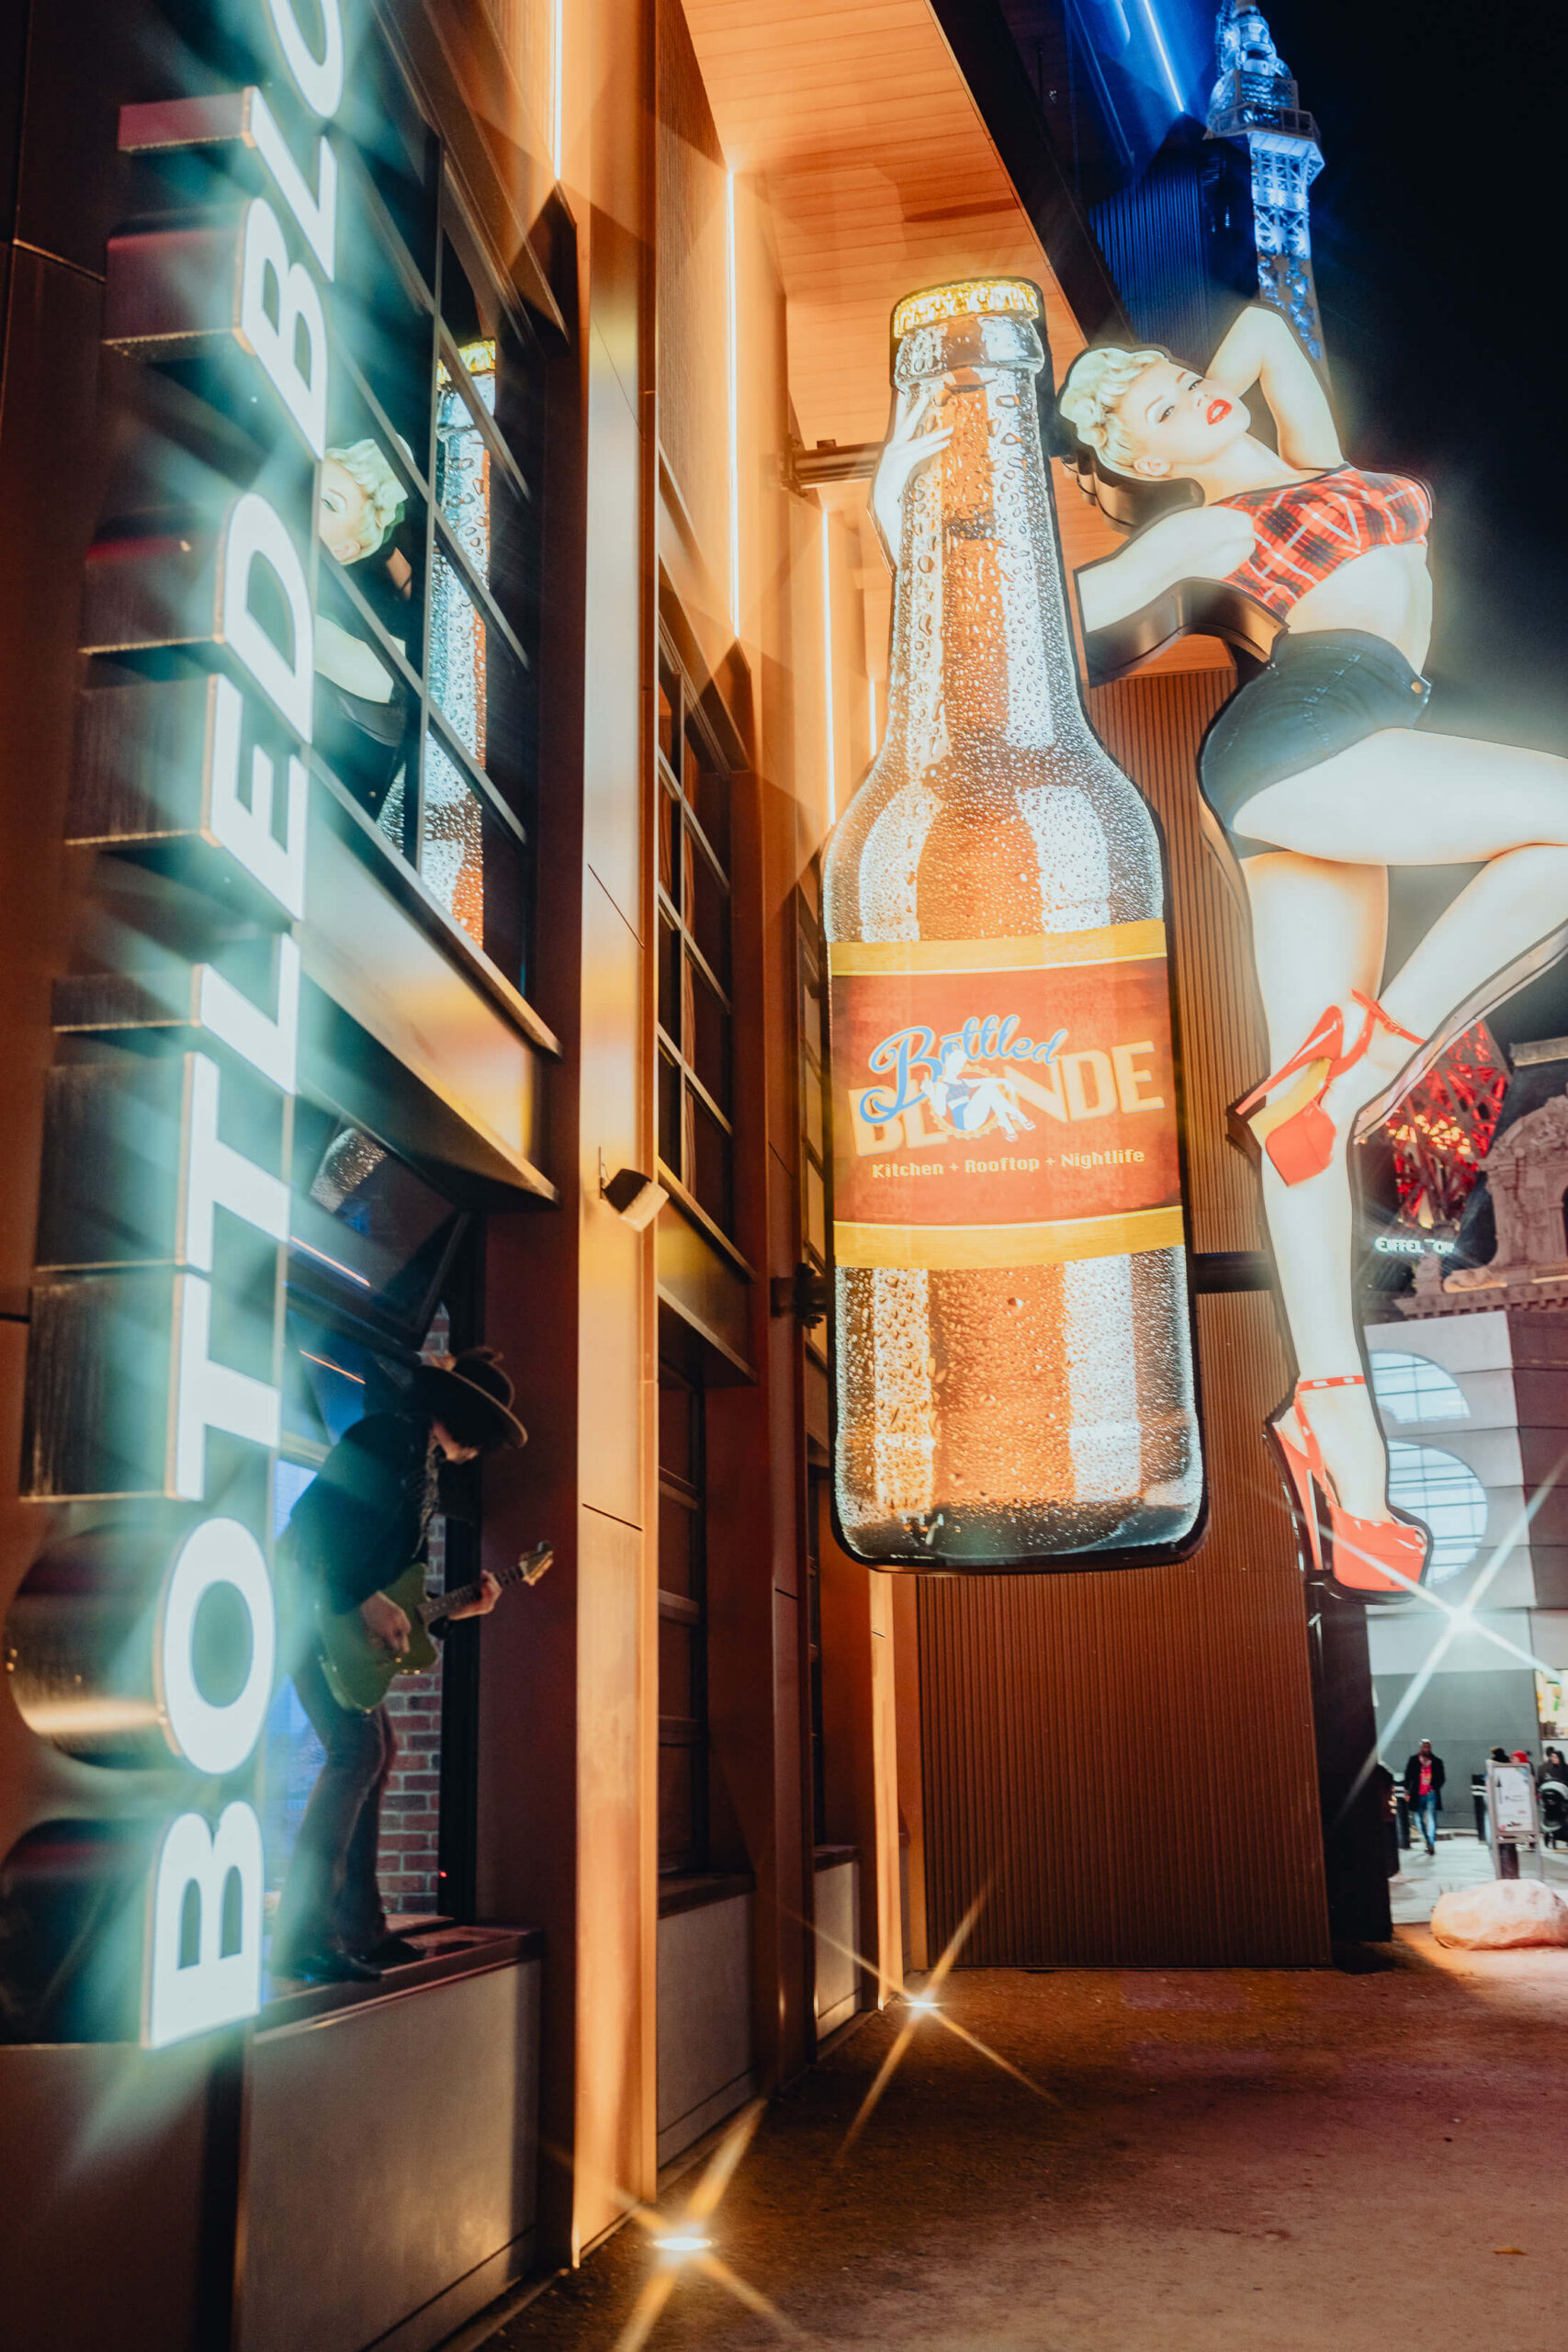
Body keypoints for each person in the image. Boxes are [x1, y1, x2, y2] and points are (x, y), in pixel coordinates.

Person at [1040, 307, 1568, 1594]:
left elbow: (1266, 331)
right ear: (1144, 463)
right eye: (1162, 415)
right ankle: (1373, 1061)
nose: (1197, 398)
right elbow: (1063, 609)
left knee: (1307, 1130)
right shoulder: (1209, 527)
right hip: (1309, 733)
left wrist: (1162, 396)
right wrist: (1097, 471)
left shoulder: (1308, 462)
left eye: (1182, 382)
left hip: (1335, 746)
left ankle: (1343, 1459)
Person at [272, 1348, 525, 1985]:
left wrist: (456, 1609)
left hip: (330, 1619)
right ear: (473, 1423)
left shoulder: (419, 1458)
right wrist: (361, 1596)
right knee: (357, 1751)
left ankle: (359, 1927)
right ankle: (304, 1937)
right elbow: (310, 1523)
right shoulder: (388, 1437)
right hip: (306, 1612)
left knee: (374, 1750)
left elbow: (395, 1594)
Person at [1402, 1738, 1444, 1856]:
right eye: (1424, 1746)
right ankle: (1427, 1840)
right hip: (1417, 1794)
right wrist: (1406, 1790)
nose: (1427, 1748)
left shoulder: (1437, 1761)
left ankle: (1431, 1844)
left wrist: (1434, 1787)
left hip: (1431, 1794)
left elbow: (1441, 1778)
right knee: (1418, 1820)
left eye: (1428, 1746)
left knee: (1431, 1819)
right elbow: (1408, 1776)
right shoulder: (1414, 1760)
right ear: (1421, 1748)